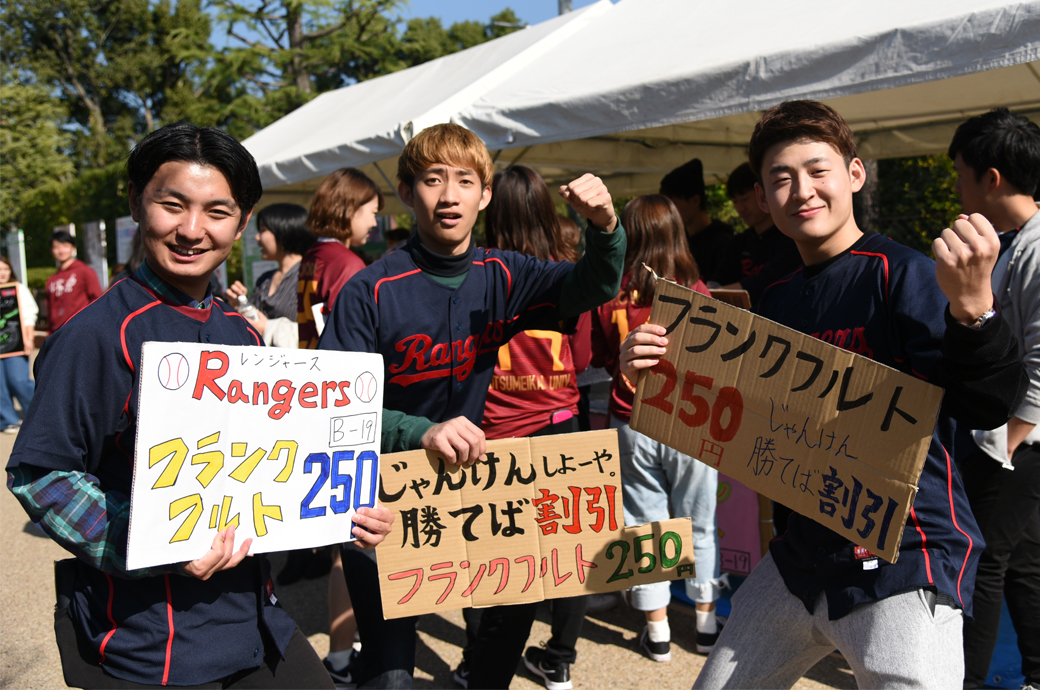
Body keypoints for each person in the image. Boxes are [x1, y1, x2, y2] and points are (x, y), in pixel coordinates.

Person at [621, 101, 1027, 689]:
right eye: (780, 178)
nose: (802, 191)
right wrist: (651, 364)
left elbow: (987, 403)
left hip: (902, 553)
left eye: (818, 171)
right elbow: (721, 402)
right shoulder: (768, 297)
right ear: (762, 197)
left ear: (855, 175)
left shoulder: (904, 274)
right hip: (801, 557)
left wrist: (975, 316)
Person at [5, 122, 393, 689]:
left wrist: (344, 511)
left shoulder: (241, 332)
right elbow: (40, 474)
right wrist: (150, 538)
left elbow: (272, 466)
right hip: (154, 641)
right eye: (172, 204)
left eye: (217, 211)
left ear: (241, 224)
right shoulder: (99, 334)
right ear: (138, 202)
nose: (191, 230)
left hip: (257, 619)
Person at [318, 123, 626, 689]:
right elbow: (331, 408)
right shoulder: (370, 290)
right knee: (389, 670)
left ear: (485, 195)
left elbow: (593, 286)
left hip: (473, 491)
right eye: (433, 180)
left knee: (500, 649)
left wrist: (605, 226)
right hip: (379, 501)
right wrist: (419, 432)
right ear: (408, 194)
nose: (450, 194)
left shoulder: (502, 273)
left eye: (465, 180)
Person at [450, 165, 591, 690]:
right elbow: (581, 352)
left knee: (486, 551)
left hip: (497, 430)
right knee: (568, 547)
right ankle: (560, 657)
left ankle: (478, 661)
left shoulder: (484, 272)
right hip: (563, 422)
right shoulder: (568, 271)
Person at [589, 195, 722, 662]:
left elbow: (603, 358)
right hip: (691, 423)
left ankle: (659, 631)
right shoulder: (697, 290)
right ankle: (706, 626)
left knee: (646, 527)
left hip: (632, 420)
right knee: (699, 522)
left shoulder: (612, 292)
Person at [948, 108, 1040, 690]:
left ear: (992, 178)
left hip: (1018, 443)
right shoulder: (1013, 244)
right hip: (1016, 440)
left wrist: (1001, 444)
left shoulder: (1035, 249)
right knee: (1025, 558)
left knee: (980, 563)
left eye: (961, 172)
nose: (958, 186)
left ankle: (965, 681)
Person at [297, 168, 382, 349]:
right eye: (373, 213)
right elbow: (351, 331)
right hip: (338, 368)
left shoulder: (313, 254)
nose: (374, 223)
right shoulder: (346, 263)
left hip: (312, 358)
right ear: (350, 209)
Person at [226, 202, 316, 348]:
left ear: (284, 230)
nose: (257, 237)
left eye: (263, 230)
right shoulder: (265, 278)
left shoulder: (307, 276)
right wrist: (240, 304)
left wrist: (269, 327)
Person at [714, 162, 802, 307]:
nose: (740, 208)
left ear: (762, 194)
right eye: (735, 201)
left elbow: (772, 279)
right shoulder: (737, 244)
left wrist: (721, 291)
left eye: (745, 199)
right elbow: (719, 279)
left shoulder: (790, 237)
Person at [659, 158, 734, 282]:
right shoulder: (678, 242)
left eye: (674, 203)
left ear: (695, 201)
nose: (669, 211)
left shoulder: (724, 244)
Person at [0, 255, 37, 433]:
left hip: (15, 344)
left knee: (18, 380)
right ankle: (8, 420)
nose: (3, 273)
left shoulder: (18, 289)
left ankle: (37, 414)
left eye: (6, 269)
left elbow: (29, 314)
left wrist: (28, 338)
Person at [45, 230, 102, 332]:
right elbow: (49, 310)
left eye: (65, 246)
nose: (61, 250)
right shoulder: (51, 280)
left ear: (73, 248)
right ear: (51, 250)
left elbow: (97, 301)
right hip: (57, 333)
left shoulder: (85, 272)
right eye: (56, 247)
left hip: (80, 330)